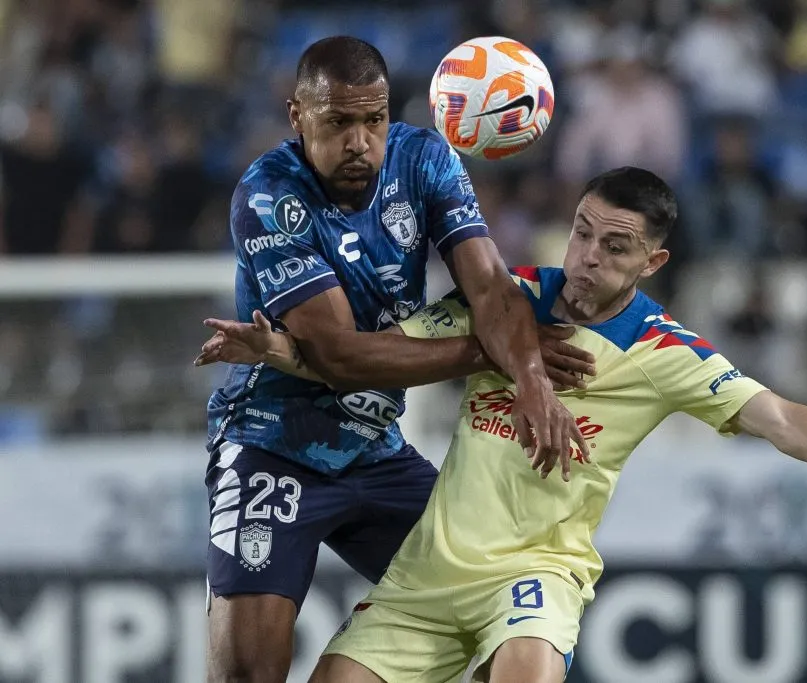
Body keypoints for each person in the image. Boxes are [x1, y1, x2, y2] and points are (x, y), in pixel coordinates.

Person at [199, 167, 807, 683]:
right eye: (581, 231)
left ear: (652, 261)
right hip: (424, 582)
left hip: (534, 574)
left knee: (528, 668)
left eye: (615, 247)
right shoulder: (508, 303)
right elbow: (377, 355)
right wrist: (285, 350)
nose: (587, 257)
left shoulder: (661, 349)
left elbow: (786, 420)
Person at [198, 36, 591, 683]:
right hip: (272, 447)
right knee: (247, 673)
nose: (360, 141)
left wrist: (529, 375)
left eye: (373, 120)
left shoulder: (426, 160)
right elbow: (341, 356)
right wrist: (486, 350)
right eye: (339, 122)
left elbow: (490, 288)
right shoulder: (269, 195)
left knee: (507, 613)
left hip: (376, 451)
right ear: (298, 117)